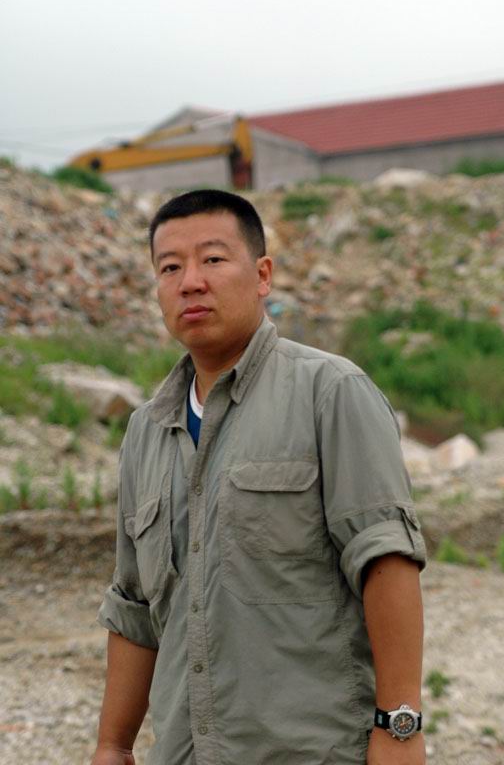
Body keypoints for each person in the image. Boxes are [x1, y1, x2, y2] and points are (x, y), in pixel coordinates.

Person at [92, 189, 427, 765]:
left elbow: (385, 560)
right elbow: (134, 606)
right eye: (169, 268)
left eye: (212, 259)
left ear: (262, 275)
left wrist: (400, 731)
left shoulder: (330, 392)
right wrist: (112, 745)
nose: (190, 282)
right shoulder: (146, 430)